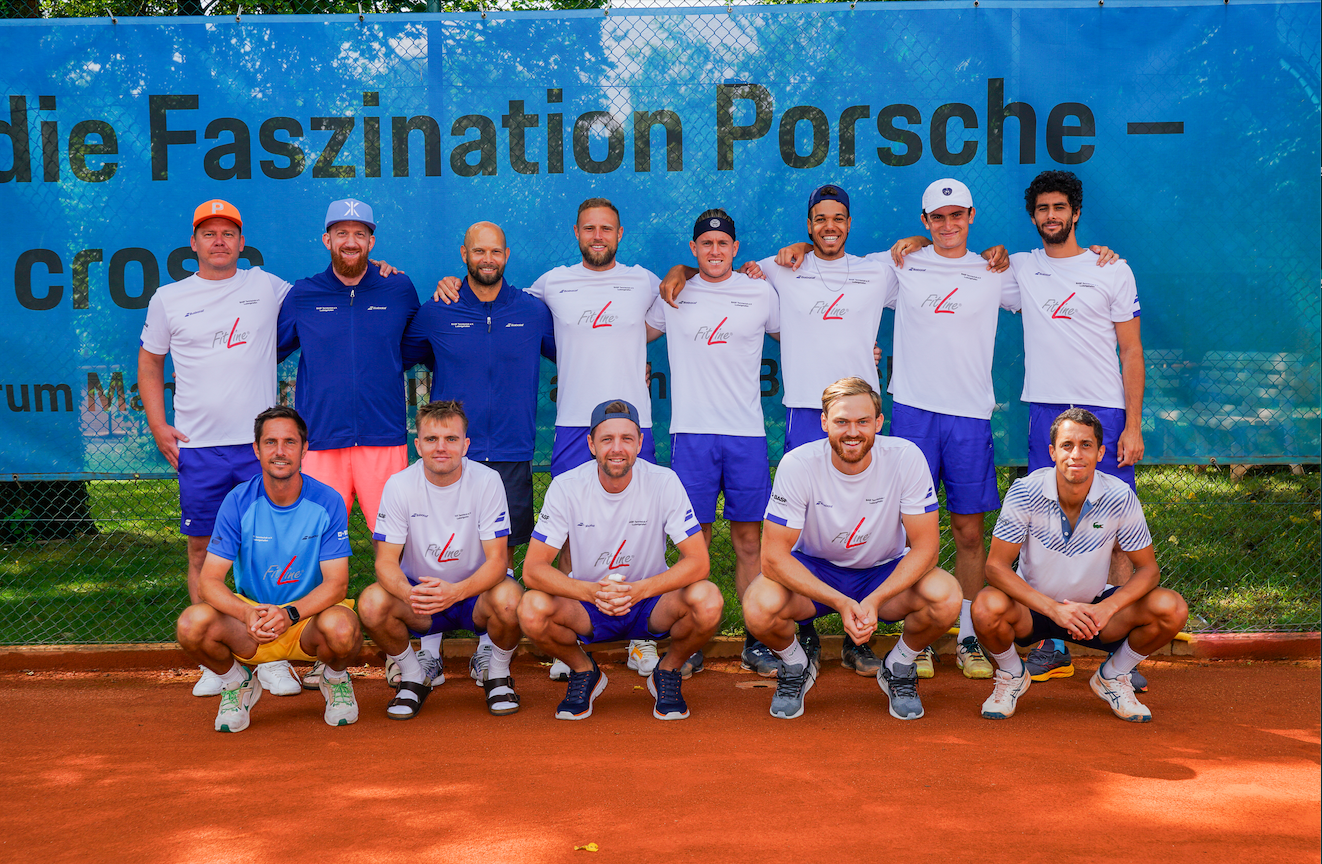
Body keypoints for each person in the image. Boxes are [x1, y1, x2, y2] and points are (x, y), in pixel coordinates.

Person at [138, 199, 303, 699]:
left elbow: (329, 292)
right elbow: (150, 362)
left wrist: (377, 268)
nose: (218, 241)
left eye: (227, 233)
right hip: (200, 449)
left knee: (268, 548)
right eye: (208, 233)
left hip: (259, 447)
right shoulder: (168, 298)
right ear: (193, 243)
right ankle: (218, 657)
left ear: (241, 242)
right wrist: (158, 425)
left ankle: (271, 655)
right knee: (202, 550)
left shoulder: (265, 286)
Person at [744, 377, 961, 720]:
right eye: (842, 421)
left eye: (862, 421)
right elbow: (772, 558)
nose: (852, 432)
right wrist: (841, 602)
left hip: (882, 571)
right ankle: (796, 666)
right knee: (759, 605)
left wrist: (874, 599)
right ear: (824, 422)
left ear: (878, 422)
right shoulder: (798, 463)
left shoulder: (906, 457)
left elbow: (926, 549)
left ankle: (899, 666)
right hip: (816, 570)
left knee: (946, 595)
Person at [277, 198, 422, 690]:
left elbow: (416, 345)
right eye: (341, 232)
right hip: (321, 442)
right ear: (327, 240)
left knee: (396, 546)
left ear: (372, 241)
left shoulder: (398, 287)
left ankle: (405, 653)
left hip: (383, 439)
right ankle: (322, 648)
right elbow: (267, 349)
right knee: (315, 547)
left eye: (360, 233)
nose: (351, 241)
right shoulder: (303, 294)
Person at [1009, 171, 1147, 682]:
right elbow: (957, 268)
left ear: (1076, 213)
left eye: (1060, 207)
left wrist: (1133, 425)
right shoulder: (1019, 267)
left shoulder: (1113, 269)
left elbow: (1131, 351)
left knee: (1117, 528)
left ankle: (1119, 645)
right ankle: (1050, 641)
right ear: (1033, 216)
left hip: (1105, 411)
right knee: (1042, 526)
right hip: (1045, 410)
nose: (1051, 216)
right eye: (1043, 208)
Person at [405, 222, 555, 686]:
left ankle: (489, 646)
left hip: (511, 451)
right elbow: (398, 354)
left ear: (506, 255)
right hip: (450, 453)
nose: (487, 259)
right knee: (433, 544)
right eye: (478, 251)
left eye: (494, 251)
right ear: (464, 254)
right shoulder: (437, 310)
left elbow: (576, 350)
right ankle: (429, 651)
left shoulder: (533, 311)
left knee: (500, 550)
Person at [973, 408, 1187, 722]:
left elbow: (1148, 570)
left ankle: (1113, 676)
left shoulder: (1120, 496)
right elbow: (995, 567)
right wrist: (1053, 609)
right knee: (985, 607)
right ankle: (1012, 675)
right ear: (1052, 452)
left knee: (1171, 608)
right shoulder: (1025, 491)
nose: (1076, 454)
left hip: (1092, 614)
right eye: (1067, 445)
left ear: (1100, 452)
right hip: (1032, 610)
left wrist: (1108, 608)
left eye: (1086, 445)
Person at [518, 399, 723, 721]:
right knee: (531, 609)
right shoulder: (566, 487)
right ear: (591, 444)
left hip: (649, 602)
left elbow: (698, 561)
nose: (617, 448)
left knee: (708, 599)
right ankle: (584, 671)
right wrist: (591, 592)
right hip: (589, 603)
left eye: (627, 438)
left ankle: (667, 670)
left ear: (640, 443)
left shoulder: (664, 481)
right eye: (607, 439)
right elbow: (533, 569)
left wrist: (640, 590)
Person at [644, 208, 779, 678]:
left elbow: (802, 334)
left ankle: (757, 640)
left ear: (735, 248)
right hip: (692, 435)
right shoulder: (674, 292)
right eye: (706, 243)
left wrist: (864, 351)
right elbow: (629, 335)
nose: (715, 250)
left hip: (746, 435)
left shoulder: (760, 291)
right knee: (693, 542)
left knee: (749, 541)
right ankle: (690, 637)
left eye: (723, 243)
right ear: (694, 248)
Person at [174, 406, 362, 733]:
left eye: (290, 442)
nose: (280, 451)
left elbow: (337, 584)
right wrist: (247, 614)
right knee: (191, 624)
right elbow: (209, 581)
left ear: (304, 449)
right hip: (254, 621)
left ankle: (335, 679)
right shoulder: (238, 501)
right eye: (270, 442)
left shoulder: (327, 500)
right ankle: (237, 683)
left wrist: (289, 614)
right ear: (256, 449)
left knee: (343, 629)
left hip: (307, 619)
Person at [356, 400, 524, 719]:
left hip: (475, 596)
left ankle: (497, 674)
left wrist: (456, 592)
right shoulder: (399, 485)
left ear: (466, 445)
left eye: (451, 439)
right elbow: (385, 562)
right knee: (371, 603)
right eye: (431, 439)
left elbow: (498, 561)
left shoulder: (487, 480)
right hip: (422, 598)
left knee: (512, 599)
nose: (441, 447)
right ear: (418, 445)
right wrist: (410, 593)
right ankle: (413, 676)